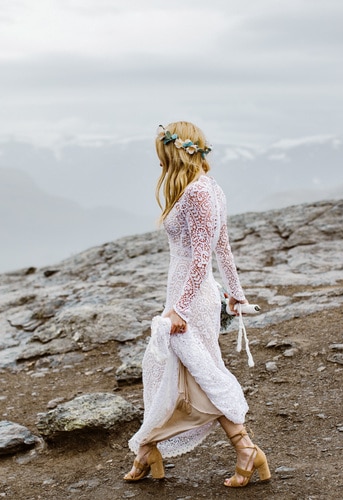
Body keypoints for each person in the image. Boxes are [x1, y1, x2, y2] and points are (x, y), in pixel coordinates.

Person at [123, 121, 270, 488]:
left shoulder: (199, 192)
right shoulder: (205, 188)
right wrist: (236, 294)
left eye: (164, 158)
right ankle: (147, 450)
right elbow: (223, 247)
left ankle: (244, 447)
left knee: (202, 374)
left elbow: (206, 254)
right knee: (171, 371)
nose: (161, 167)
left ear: (177, 153)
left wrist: (181, 310)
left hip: (191, 299)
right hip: (184, 294)